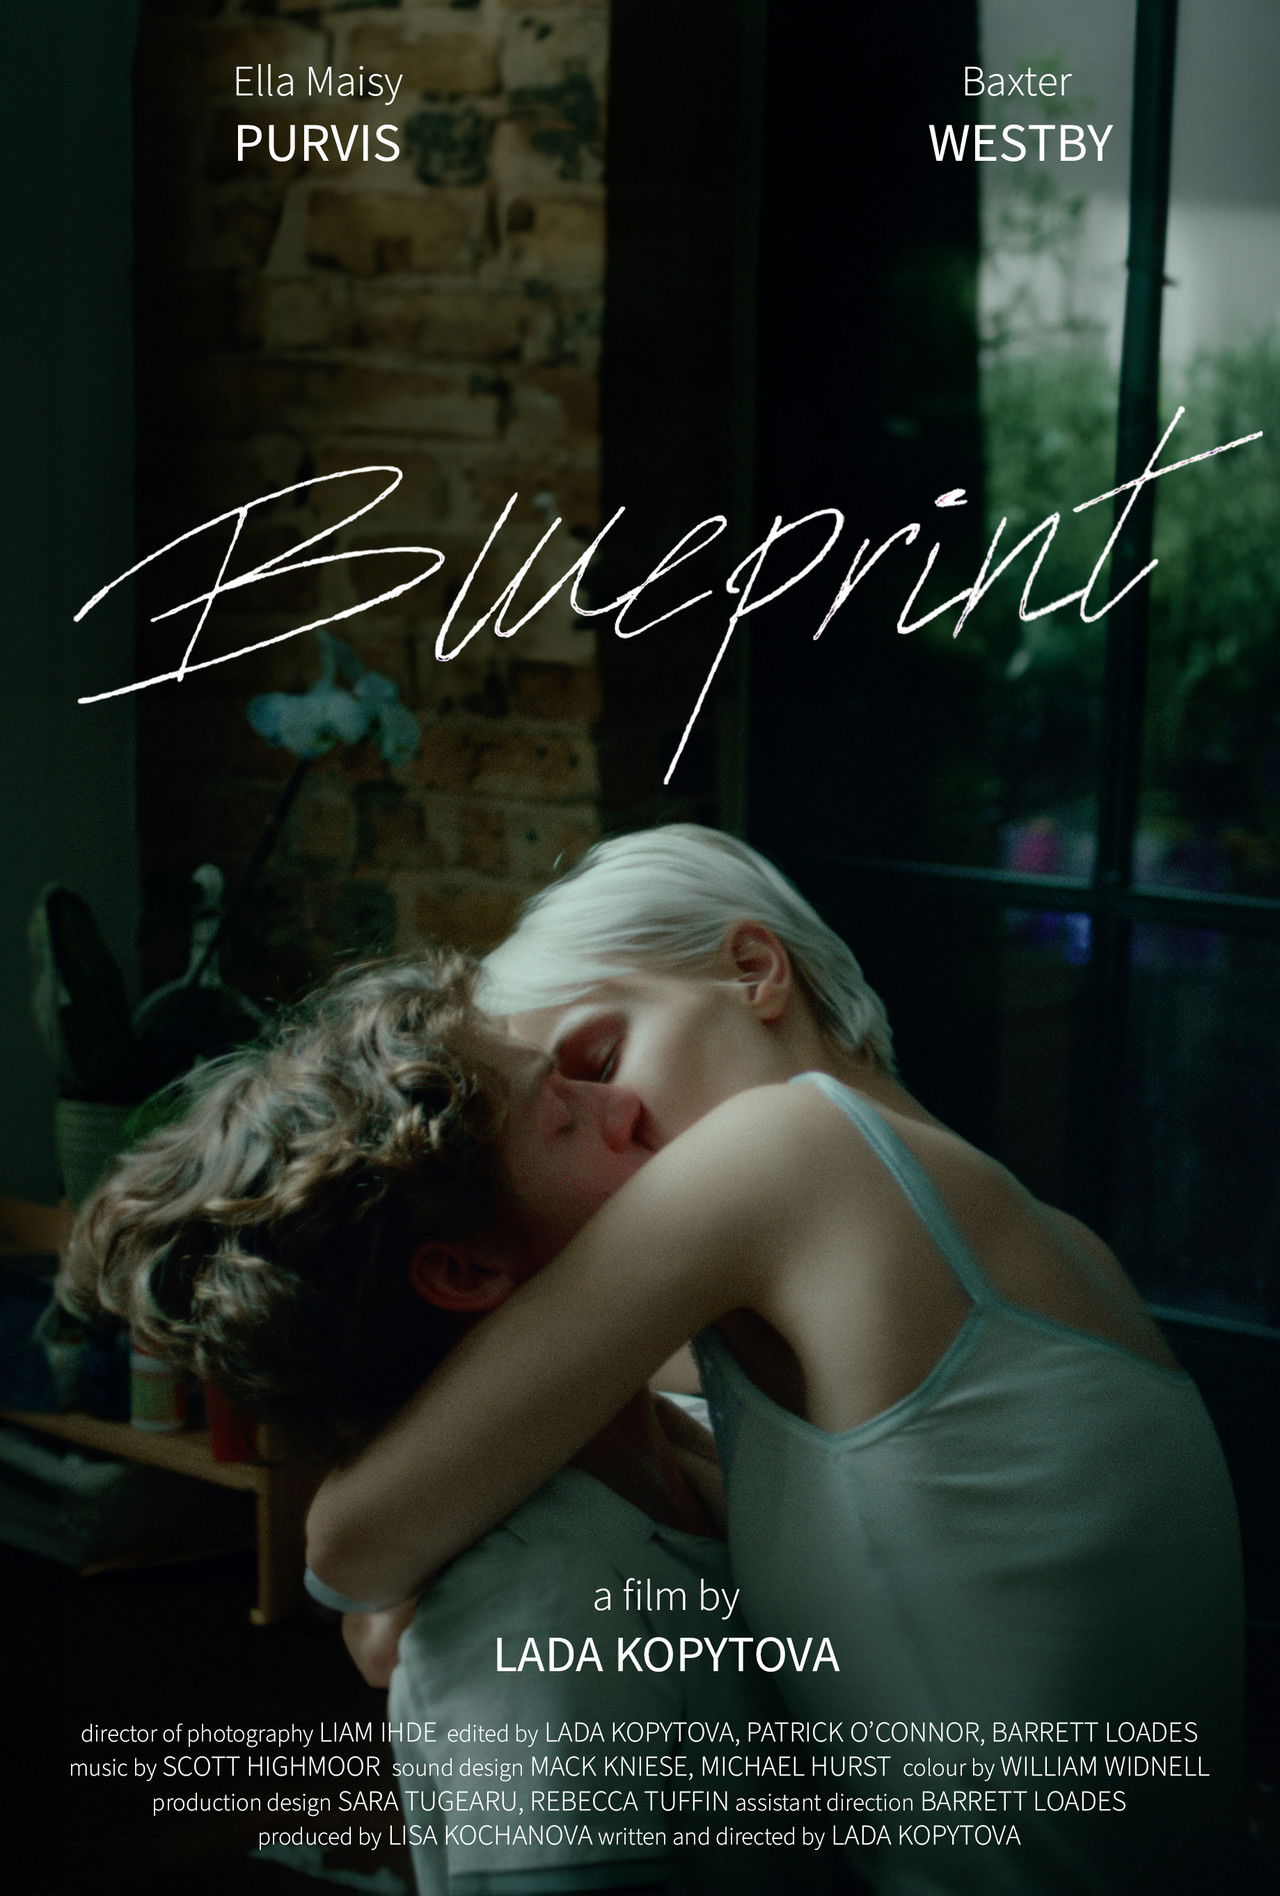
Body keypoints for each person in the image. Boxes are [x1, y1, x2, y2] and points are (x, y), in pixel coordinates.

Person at [306, 826, 1246, 1896]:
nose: (614, 1120)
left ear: (754, 970)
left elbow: (348, 1541)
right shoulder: (1043, 1242)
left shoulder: (791, 1145)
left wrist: (397, 1574)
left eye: (600, 1062)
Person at [61, 953, 839, 1896]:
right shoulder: (535, 1606)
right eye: (566, 1117)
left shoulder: (678, 1435)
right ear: (464, 1272)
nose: (624, 1105)